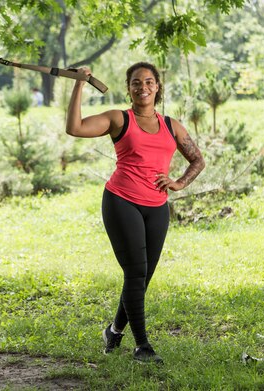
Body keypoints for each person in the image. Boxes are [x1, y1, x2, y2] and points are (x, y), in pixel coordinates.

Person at [65, 62, 205, 363]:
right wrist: (79, 83)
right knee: (135, 273)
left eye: (149, 82)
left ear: (158, 87)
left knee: (142, 278)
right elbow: (74, 128)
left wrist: (179, 183)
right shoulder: (119, 119)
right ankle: (142, 346)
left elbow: (197, 160)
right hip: (121, 201)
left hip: (157, 207)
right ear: (128, 87)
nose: (143, 87)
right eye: (136, 82)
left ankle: (114, 331)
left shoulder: (171, 126)